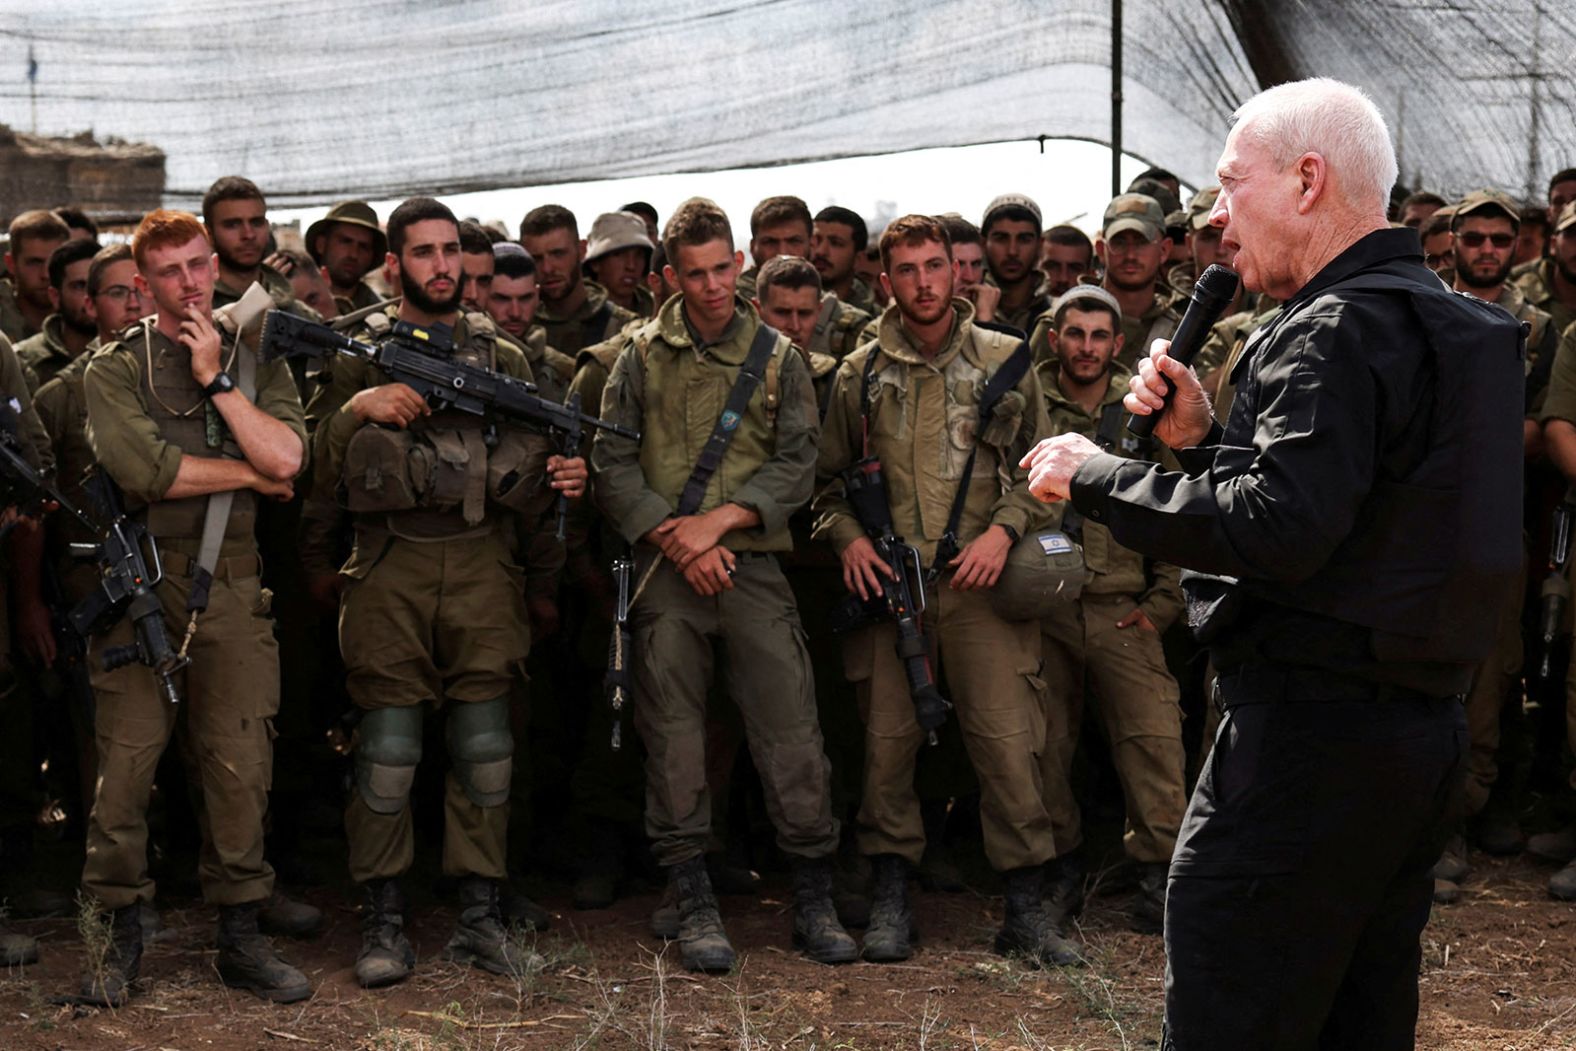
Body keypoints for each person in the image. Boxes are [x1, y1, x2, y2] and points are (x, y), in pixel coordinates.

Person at [1020, 78, 1524, 1048]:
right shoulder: (1448, 325)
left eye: (1225, 184)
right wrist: (1206, 446)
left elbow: (1281, 531)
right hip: (1416, 742)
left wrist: (1097, 475)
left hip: (1303, 749)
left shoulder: (1327, 329)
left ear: (1306, 180)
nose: (1212, 219)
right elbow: (1357, 529)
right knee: (1354, 1020)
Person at [305, 197, 586, 988]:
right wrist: (357, 412)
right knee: (389, 748)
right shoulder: (359, 353)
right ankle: (384, 911)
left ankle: (479, 910)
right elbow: (314, 476)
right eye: (422, 251)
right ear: (395, 264)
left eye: (450, 250)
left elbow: (536, 487)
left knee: (486, 748)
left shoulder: (504, 358)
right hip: (388, 565)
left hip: (483, 567)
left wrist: (543, 579)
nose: (440, 264)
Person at [591, 196, 854, 972]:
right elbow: (611, 465)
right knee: (671, 735)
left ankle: (812, 889)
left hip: (750, 562)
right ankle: (691, 891)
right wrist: (678, 536)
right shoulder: (637, 355)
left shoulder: (777, 357)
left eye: (721, 269)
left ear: (739, 262)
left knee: (791, 727)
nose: (710, 286)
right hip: (667, 568)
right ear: (671, 274)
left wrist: (720, 522)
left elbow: (798, 463)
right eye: (694, 273)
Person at [813, 214, 1073, 968]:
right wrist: (848, 539)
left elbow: (1049, 469)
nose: (925, 282)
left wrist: (1003, 532)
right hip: (893, 590)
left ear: (958, 273)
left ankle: (1025, 905)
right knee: (887, 746)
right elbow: (826, 486)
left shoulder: (1005, 360)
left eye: (936, 265)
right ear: (883, 278)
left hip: (979, 587)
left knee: (1006, 742)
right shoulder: (859, 374)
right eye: (908, 269)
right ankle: (893, 893)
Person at [77, 209, 312, 1006]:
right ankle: (115, 938)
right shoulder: (114, 369)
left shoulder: (253, 356)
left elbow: (290, 456)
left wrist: (217, 379)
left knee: (240, 766)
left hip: (235, 591)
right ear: (142, 285)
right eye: (169, 272)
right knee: (124, 772)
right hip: (143, 585)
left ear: (215, 266)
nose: (189, 283)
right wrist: (247, 476)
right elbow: (148, 472)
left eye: (198, 266)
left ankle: (240, 936)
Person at [1032, 286, 1186, 935]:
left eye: (1099, 335)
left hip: (1125, 606)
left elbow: (1180, 503)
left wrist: (1163, 604)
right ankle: (1058, 865)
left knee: (1153, 742)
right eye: (1076, 333)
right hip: (1048, 607)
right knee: (1044, 743)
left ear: (1117, 343)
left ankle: (1160, 871)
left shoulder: (1142, 410)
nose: (1087, 347)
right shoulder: (1030, 401)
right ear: (1055, 338)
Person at [519, 205, 638, 356]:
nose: (547, 268)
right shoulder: (519, 324)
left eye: (558, 254)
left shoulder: (622, 327)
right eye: (536, 259)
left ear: (582, 250)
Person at [15, 238, 101, 391]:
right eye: (79, 286)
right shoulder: (22, 361)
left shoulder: (132, 355)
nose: (90, 297)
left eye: (96, 285)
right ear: (55, 296)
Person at [0, 210, 72, 342]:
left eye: (54, 262)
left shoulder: (84, 317)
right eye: (34, 263)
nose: (46, 274)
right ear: (11, 264)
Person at [980, 194, 1049, 332]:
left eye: (1024, 239)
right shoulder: (964, 308)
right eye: (1001, 239)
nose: (1012, 251)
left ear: (1039, 245)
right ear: (983, 243)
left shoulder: (1057, 312)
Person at [305, 200, 387, 313]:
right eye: (345, 241)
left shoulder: (382, 314)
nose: (354, 254)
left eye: (363, 247)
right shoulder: (296, 302)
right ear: (321, 244)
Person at [584, 211, 655, 317]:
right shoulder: (574, 309)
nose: (631, 265)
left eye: (639, 255)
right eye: (618, 254)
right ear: (595, 263)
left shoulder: (653, 309)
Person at [812, 206, 879, 315]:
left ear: (858, 259)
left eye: (835, 243)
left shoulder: (874, 320)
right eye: (816, 240)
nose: (820, 251)